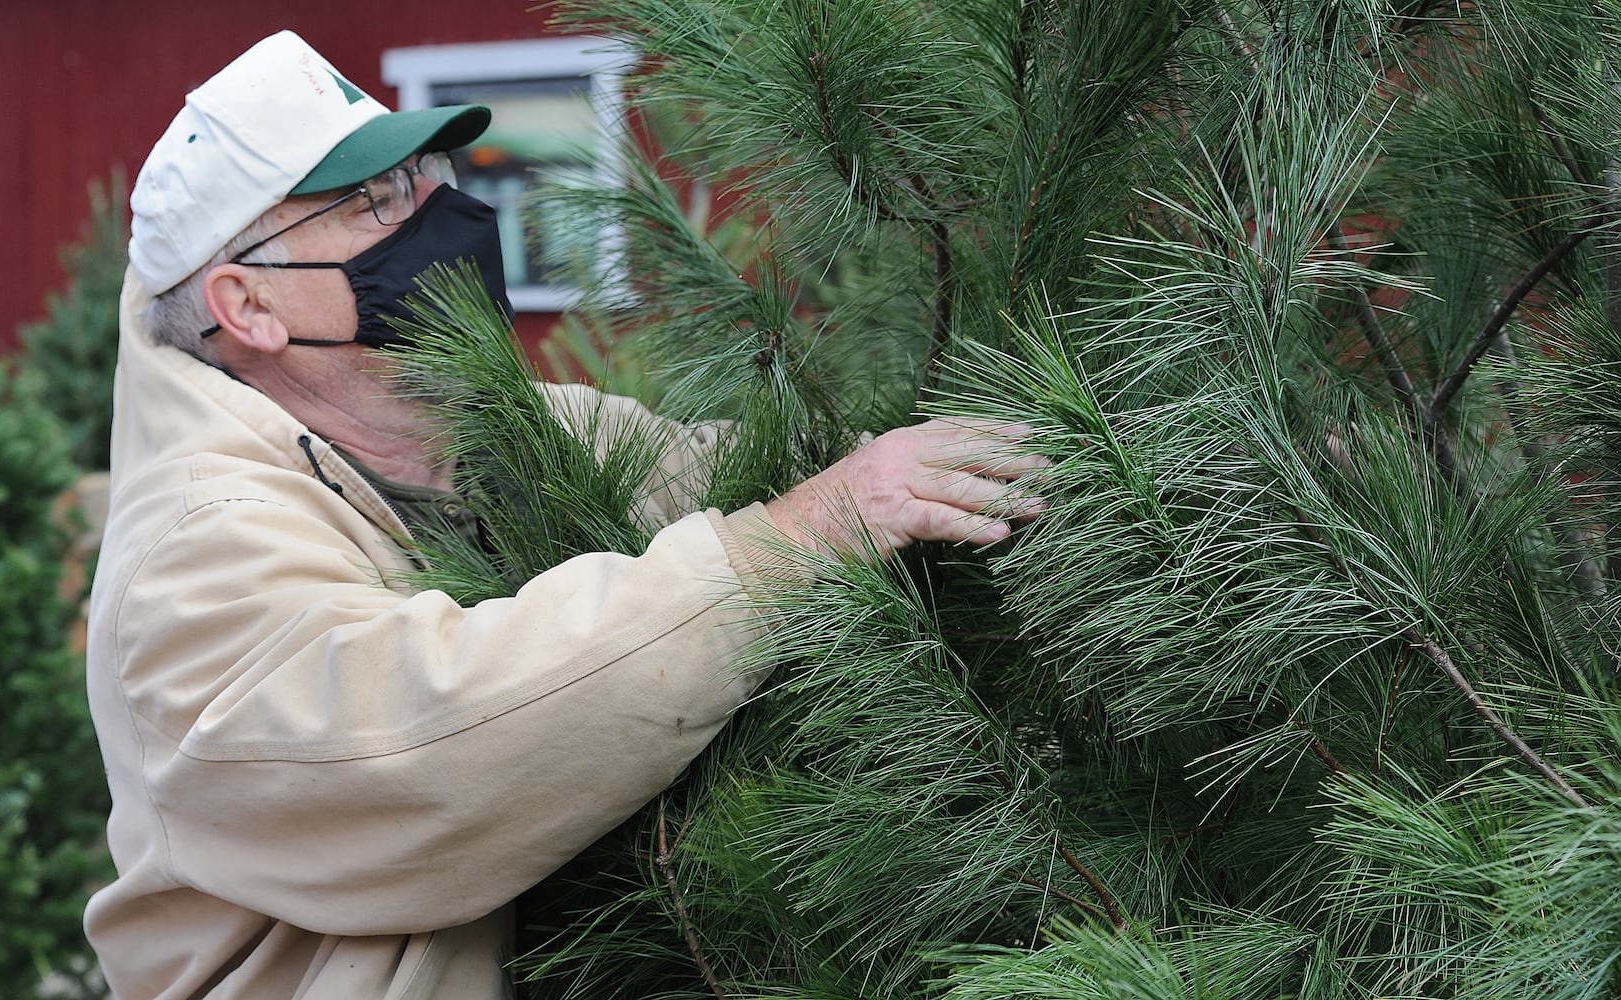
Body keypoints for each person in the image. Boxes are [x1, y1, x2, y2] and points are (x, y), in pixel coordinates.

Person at [84, 29, 1047, 999]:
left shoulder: (505, 428)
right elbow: (420, 742)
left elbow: (713, 473)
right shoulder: (193, 551)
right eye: (377, 200)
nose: (442, 210)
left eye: (428, 172)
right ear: (248, 306)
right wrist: (795, 541)